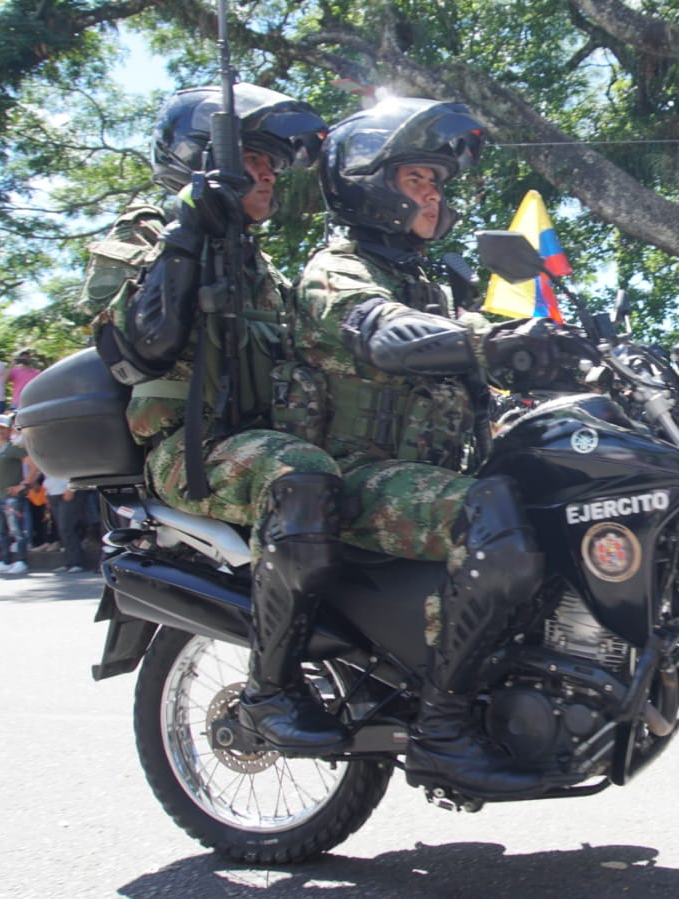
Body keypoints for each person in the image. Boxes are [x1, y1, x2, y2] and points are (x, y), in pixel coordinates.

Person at [296, 97, 590, 795]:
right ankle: (442, 727)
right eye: (416, 181)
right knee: (492, 519)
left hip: (430, 472)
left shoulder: (422, 279)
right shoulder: (337, 269)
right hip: (360, 476)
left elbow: (470, 333)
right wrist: (491, 341)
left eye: (437, 182)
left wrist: (572, 356)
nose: (434, 196)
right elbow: (388, 333)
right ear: (369, 182)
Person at [93, 84, 352, 754]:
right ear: (203, 159)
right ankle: (268, 690)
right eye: (254, 160)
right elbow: (140, 344)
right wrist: (189, 231)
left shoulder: (259, 265)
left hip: (258, 442)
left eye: (272, 163)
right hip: (190, 449)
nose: (269, 175)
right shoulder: (150, 230)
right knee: (302, 478)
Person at [0, 414, 38, 575]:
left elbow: (33, 464)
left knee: (17, 530)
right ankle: (5, 560)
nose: (0, 431)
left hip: (12, 496)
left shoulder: (14, 447)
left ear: (9, 430)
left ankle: (21, 560)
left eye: (3, 428)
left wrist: (24, 484)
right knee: (0, 530)